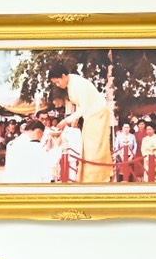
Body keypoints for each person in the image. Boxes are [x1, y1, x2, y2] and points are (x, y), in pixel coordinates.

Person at [47, 56, 113, 184]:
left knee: (94, 149)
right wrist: (73, 120)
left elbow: (84, 107)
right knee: (87, 148)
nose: (58, 85)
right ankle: (87, 178)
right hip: (90, 116)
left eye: (57, 82)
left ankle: (96, 178)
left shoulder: (78, 84)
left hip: (97, 115)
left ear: (63, 76)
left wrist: (67, 120)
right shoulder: (72, 83)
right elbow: (80, 105)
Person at [2, 119, 54, 184]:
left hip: (13, 183)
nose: (41, 138)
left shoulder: (11, 143)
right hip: (32, 184)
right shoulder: (36, 146)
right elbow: (46, 171)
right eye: (42, 135)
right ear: (37, 131)